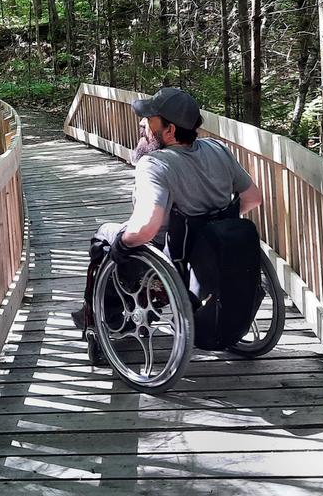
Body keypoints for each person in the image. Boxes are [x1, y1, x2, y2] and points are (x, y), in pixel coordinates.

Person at [72, 87, 262, 329]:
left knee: (106, 236)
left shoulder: (154, 164)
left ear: (169, 130)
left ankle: (107, 316)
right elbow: (253, 198)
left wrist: (122, 245)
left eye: (149, 120)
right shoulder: (217, 149)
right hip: (211, 253)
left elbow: (147, 227)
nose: (142, 124)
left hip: (167, 257)